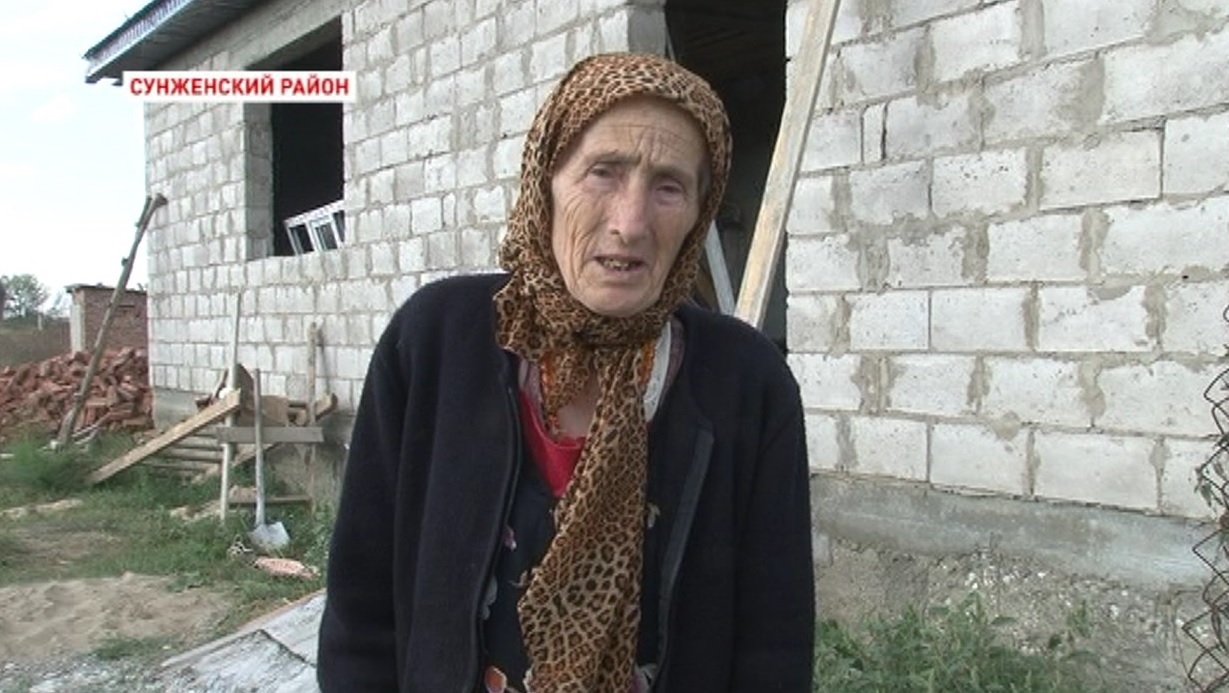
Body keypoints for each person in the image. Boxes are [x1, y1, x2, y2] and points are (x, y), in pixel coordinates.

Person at [317, 52, 814, 693]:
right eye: (603, 173)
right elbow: (362, 605)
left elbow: (773, 644)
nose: (629, 223)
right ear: (545, 180)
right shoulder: (435, 342)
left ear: (699, 212)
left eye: (668, 186)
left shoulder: (748, 383)